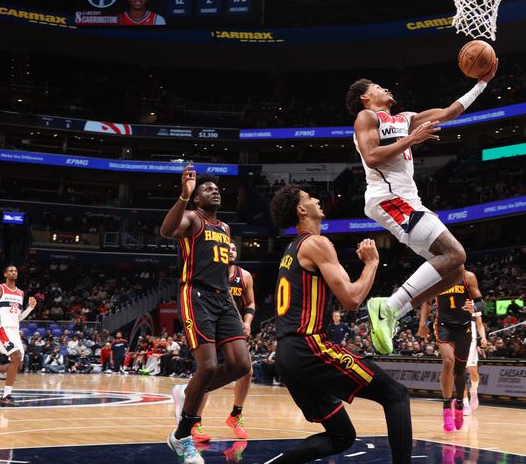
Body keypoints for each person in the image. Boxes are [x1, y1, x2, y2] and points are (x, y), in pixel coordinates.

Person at [347, 61, 498, 354]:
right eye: (377, 87)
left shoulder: (405, 118)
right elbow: (372, 156)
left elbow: (448, 112)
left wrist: (481, 83)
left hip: (408, 200)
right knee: (456, 252)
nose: (386, 88)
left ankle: (393, 311)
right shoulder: (366, 117)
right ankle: (388, 307)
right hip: (387, 197)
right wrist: (410, 141)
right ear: (365, 97)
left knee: (456, 271)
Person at [266, 184, 412, 463]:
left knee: (341, 436)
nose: (317, 199)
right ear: (301, 209)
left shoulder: (291, 249)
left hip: (287, 354)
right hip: (308, 346)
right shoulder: (317, 244)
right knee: (396, 395)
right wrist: (371, 263)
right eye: (309, 198)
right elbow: (352, 299)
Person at [160, 166, 251, 464]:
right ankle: (182, 437)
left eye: (217, 189)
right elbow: (166, 230)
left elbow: (225, 275)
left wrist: (236, 312)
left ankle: (187, 392)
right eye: (208, 188)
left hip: (223, 298)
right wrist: (183, 197)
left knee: (240, 364)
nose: (215, 191)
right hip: (195, 294)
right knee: (209, 367)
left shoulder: (225, 228)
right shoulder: (191, 217)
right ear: (197, 197)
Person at [193, 242, 255, 442]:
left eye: (234, 249)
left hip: (231, 324)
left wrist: (247, 322)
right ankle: (196, 422)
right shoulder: (209, 273)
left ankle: (236, 415)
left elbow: (251, 303)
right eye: (227, 248)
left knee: (247, 370)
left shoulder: (244, 276)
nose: (231, 251)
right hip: (210, 321)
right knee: (207, 370)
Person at [418, 269, 485, 431]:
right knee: (448, 361)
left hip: (464, 328)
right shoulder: (437, 278)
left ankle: (460, 405)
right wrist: (422, 323)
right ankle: (447, 406)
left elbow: (481, 302)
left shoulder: (468, 277)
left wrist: (473, 306)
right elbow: (426, 302)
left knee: (460, 371)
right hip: (443, 325)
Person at [0, 265, 36, 406]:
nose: (14, 272)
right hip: (1, 328)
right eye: (11, 270)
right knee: (16, 357)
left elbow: (19, 317)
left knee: (18, 365)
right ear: (5, 274)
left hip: (14, 330)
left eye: (16, 270)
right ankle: (6, 396)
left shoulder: (20, 293)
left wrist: (30, 308)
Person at [462, 278, 488, 416]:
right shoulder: (452, 301)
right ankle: (465, 403)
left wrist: (483, 337)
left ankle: (474, 391)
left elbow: (479, 324)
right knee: (460, 373)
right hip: (457, 340)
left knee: (473, 373)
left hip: (471, 341)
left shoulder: (474, 303)